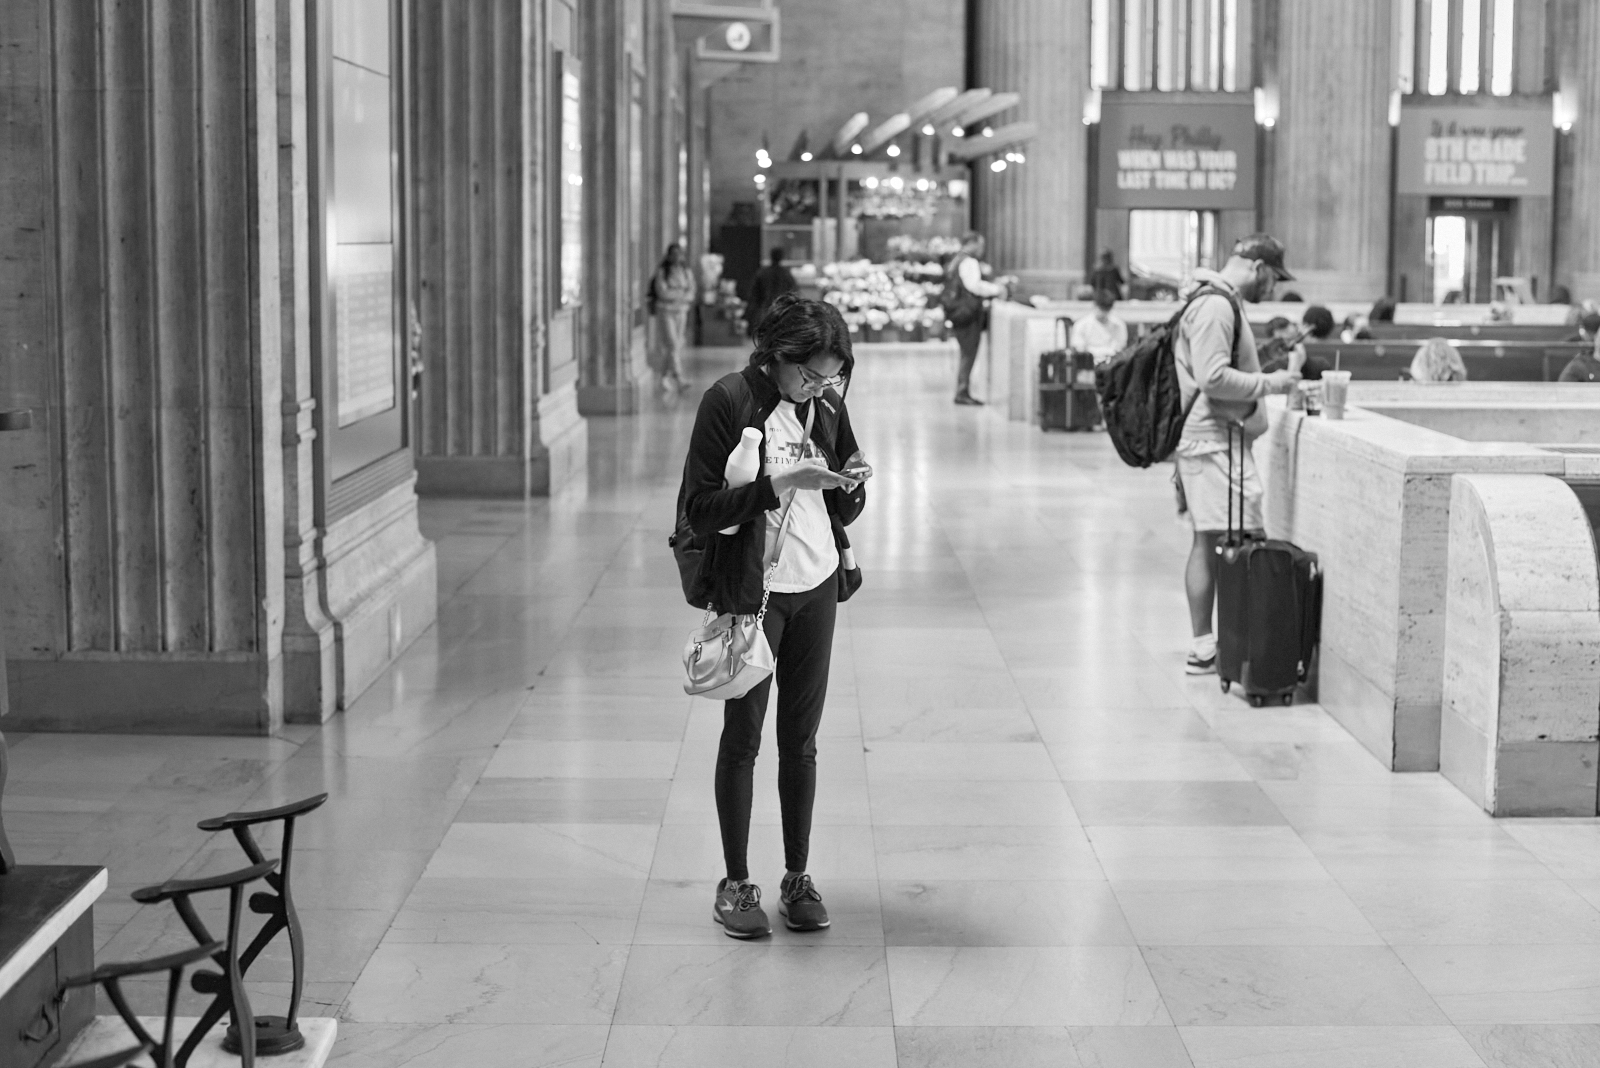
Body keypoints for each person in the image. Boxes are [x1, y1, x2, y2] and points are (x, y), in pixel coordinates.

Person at [679, 294, 869, 940]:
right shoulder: (729, 402)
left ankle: (796, 875)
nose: (818, 386)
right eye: (809, 374)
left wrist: (853, 483)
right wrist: (781, 485)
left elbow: (844, 501)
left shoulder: (829, 406)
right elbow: (699, 509)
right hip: (752, 589)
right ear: (777, 356)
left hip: (815, 585)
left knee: (802, 739)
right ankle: (735, 882)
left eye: (829, 377)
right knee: (744, 737)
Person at [1173, 234, 1301, 676]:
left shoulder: (1217, 301)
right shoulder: (1215, 306)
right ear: (1257, 267)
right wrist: (1273, 383)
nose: (1273, 289)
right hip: (1212, 440)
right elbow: (1212, 378)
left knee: (1209, 539)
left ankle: (1215, 644)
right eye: (1273, 278)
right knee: (1230, 538)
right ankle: (1223, 645)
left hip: (1214, 438)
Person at [946, 231, 1009, 406]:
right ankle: (962, 391)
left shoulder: (956, 259)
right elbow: (974, 286)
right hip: (967, 314)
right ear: (971, 243)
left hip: (956, 312)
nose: (982, 250)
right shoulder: (968, 262)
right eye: (980, 245)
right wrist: (996, 289)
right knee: (969, 352)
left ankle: (963, 389)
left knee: (966, 352)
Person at [650, 244, 697, 395]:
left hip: (681, 312)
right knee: (672, 343)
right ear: (669, 256)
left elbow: (691, 291)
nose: (677, 257)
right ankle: (679, 378)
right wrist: (680, 295)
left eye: (680, 254)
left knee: (674, 346)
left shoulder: (686, 271)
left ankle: (664, 376)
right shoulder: (663, 272)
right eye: (674, 254)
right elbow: (662, 292)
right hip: (666, 311)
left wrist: (678, 295)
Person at [746, 247, 798, 339]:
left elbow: (754, 293)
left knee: (765, 338)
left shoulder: (763, 272)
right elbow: (794, 291)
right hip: (783, 309)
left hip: (765, 309)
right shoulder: (786, 274)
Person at [1070, 289, 1129, 364]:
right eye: (1101, 309)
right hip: (1088, 364)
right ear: (1095, 305)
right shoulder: (1082, 325)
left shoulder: (1118, 324)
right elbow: (1080, 349)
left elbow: (1119, 348)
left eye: (1106, 310)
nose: (1103, 313)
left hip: (1111, 365)